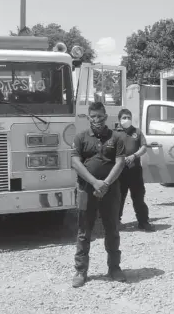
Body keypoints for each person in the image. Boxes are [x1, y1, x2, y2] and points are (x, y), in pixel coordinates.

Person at [71, 101, 127, 287]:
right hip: (87, 190)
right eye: (93, 116)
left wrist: (106, 184)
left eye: (100, 116)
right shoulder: (80, 138)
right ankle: (80, 271)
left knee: (112, 229)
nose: (97, 120)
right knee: (84, 231)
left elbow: (120, 163)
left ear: (106, 116)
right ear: (88, 118)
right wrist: (95, 182)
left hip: (111, 191)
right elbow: (76, 163)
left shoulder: (117, 137)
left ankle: (114, 268)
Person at [115, 109, 155, 232]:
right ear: (119, 119)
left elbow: (144, 147)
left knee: (138, 197)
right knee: (118, 198)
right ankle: (116, 222)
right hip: (119, 172)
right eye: (124, 117)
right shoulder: (114, 133)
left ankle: (143, 222)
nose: (126, 119)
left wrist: (134, 156)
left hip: (135, 171)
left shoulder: (137, 132)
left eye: (128, 117)